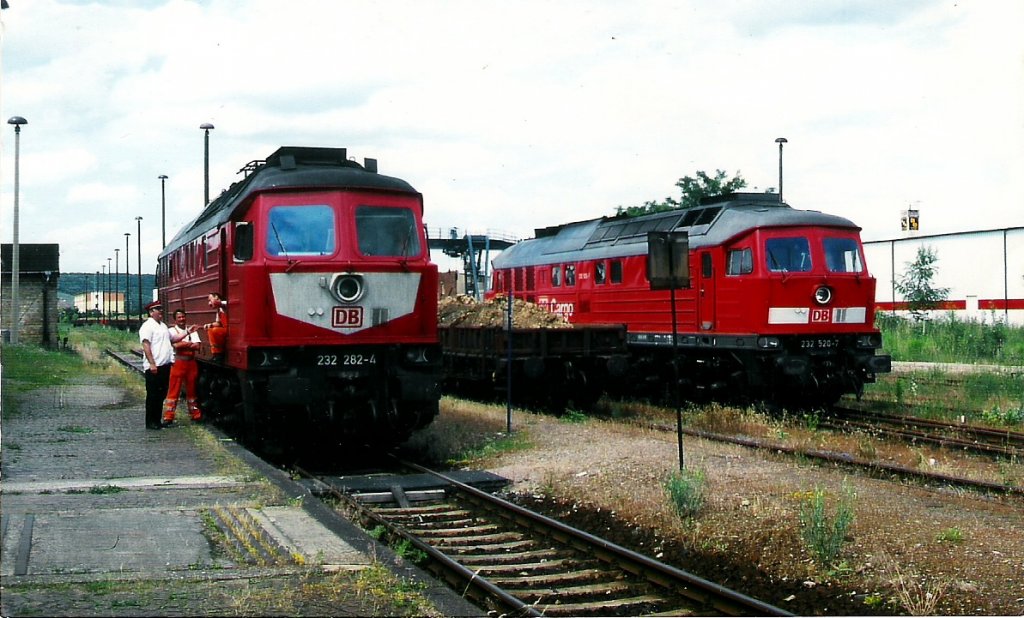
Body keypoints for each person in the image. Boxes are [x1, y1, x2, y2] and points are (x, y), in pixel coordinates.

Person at [139, 301, 175, 429]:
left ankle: (157, 420)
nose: (161, 311)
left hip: (165, 365)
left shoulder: (163, 326)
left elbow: (172, 340)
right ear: (151, 312)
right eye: (157, 309)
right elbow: (146, 345)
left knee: (161, 394)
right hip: (154, 366)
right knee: (153, 395)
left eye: (161, 308)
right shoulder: (147, 326)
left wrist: (187, 332)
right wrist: (152, 363)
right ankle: (150, 422)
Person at [163, 309, 202, 425]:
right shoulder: (171, 331)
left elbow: (197, 346)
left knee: (192, 390)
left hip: (191, 363)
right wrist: (189, 344)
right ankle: (168, 416)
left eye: (183, 317)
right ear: (175, 319)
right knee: (174, 389)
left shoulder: (192, 330)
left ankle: (195, 414)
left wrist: (183, 345)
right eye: (179, 317)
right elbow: (174, 345)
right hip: (178, 363)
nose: (182, 319)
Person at [204, 292, 228, 360]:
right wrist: (210, 325)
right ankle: (216, 353)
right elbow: (218, 323)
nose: (209, 303)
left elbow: (226, 303)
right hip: (225, 329)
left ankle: (219, 352)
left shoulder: (225, 305)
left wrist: (218, 303)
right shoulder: (218, 310)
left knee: (215, 331)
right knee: (210, 330)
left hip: (231, 329)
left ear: (216, 297)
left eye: (210, 300)